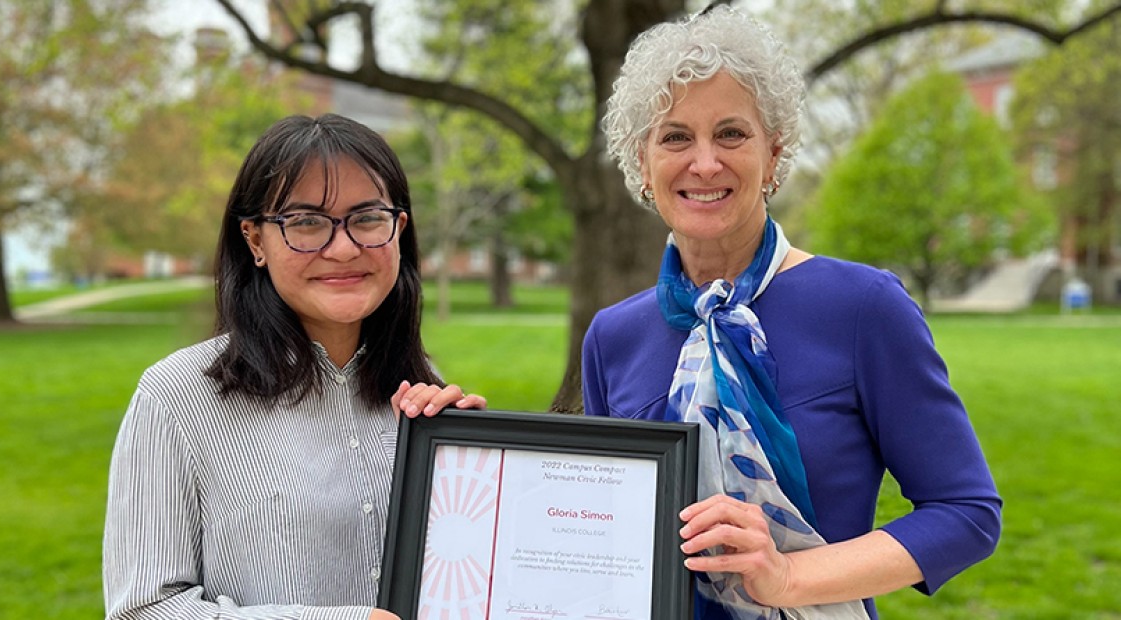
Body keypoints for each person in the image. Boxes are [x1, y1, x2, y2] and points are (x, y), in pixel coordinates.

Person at [582, 5, 1001, 620]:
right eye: (675, 136)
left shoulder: (863, 306)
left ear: (773, 155)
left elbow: (965, 513)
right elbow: (602, 531)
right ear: (642, 165)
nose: (704, 163)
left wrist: (788, 576)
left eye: (731, 133)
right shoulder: (612, 336)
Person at [103, 113, 485, 620]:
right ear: (255, 241)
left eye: (368, 218)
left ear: (399, 230)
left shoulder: (421, 394)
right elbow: (142, 610)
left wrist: (478, 467)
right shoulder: (177, 398)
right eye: (306, 223)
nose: (344, 248)